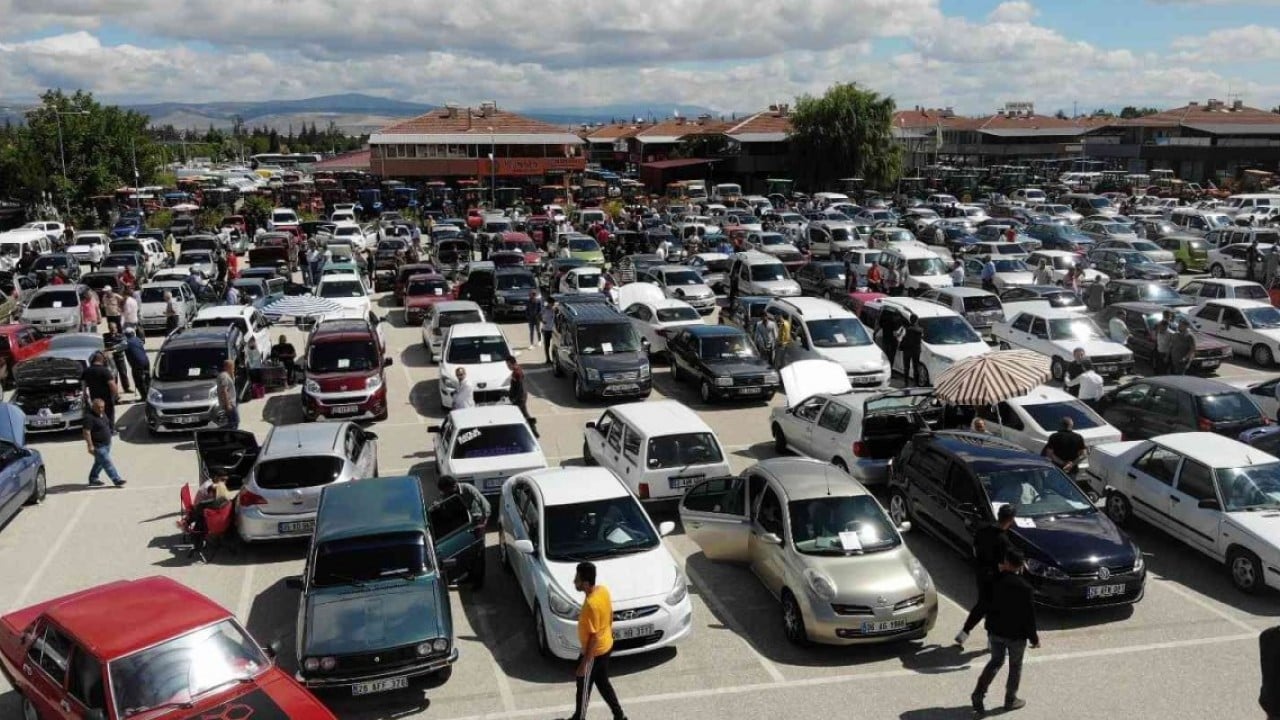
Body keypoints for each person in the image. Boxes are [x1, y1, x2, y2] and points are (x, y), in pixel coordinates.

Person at [970, 549, 1039, 717]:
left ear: (1006, 562)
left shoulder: (993, 581)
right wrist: (1034, 638)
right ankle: (1010, 699)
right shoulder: (1025, 588)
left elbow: (984, 604)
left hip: (995, 631)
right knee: (1015, 667)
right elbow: (1029, 617)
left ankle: (978, 693)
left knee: (995, 661)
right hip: (1016, 635)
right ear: (1021, 565)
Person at [560, 561, 626, 720]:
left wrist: (584, 664)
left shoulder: (591, 604)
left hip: (595, 653)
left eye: (577, 579)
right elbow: (610, 615)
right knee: (602, 683)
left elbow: (594, 637)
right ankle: (619, 716)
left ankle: (579, 717)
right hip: (606, 646)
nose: (574, 581)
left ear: (586, 583)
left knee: (583, 686)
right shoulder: (602, 591)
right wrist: (607, 634)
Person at [956, 503, 1016, 647]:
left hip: (981, 573)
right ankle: (991, 640)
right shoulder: (1004, 541)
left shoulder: (983, 530)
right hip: (995, 577)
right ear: (1010, 520)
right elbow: (1006, 562)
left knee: (983, 604)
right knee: (994, 608)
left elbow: (975, 549)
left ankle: (965, 632)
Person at [83, 398, 125, 488]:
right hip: (98, 445)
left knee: (99, 462)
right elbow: (86, 432)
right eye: (98, 407)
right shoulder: (89, 417)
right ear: (93, 407)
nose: (101, 409)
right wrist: (90, 446)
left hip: (107, 443)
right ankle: (116, 479)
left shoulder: (102, 414)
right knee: (107, 462)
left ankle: (93, 478)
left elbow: (107, 424)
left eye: (102, 407)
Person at [82, 351, 119, 424]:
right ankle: (110, 430)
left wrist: (84, 394)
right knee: (109, 415)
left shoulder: (86, 371)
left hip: (95, 399)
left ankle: (101, 429)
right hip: (106, 399)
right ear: (101, 359)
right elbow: (112, 385)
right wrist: (115, 396)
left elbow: (83, 384)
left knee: (98, 415)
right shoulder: (105, 371)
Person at [506, 357, 538, 437]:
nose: (508, 367)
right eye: (507, 365)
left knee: (519, 415)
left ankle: (531, 429)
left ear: (513, 363)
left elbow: (520, 388)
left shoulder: (517, 373)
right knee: (524, 414)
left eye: (509, 365)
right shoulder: (516, 370)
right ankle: (533, 430)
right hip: (520, 398)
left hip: (519, 398)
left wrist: (515, 399)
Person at [122, 328, 150, 399]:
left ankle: (144, 397)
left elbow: (116, 348)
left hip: (137, 364)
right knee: (147, 378)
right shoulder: (138, 339)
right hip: (146, 361)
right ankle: (150, 394)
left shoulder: (126, 343)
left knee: (138, 380)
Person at [900, 316, 924, 386]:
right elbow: (922, 334)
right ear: (916, 321)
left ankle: (906, 383)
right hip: (916, 351)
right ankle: (916, 384)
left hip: (907, 350)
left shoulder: (907, 329)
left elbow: (902, 337)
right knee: (915, 367)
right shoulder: (919, 330)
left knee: (906, 367)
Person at [216, 359, 239, 429]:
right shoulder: (224, 376)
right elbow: (224, 390)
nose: (233, 368)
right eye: (232, 366)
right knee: (235, 421)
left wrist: (232, 373)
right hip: (229, 403)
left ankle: (228, 433)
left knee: (232, 421)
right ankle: (221, 431)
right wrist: (228, 404)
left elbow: (232, 382)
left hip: (231, 403)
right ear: (226, 367)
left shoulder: (227, 375)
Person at [880, 309, 902, 377]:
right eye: (898, 317)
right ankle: (889, 373)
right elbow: (896, 334)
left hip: (885, 341)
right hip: (892, 343)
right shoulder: (894, 324)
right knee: (890, 358)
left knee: (885, 358)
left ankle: (884, 371)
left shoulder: (884, 322)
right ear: (895, 316)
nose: (898, 319)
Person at [1153, 310, 1173, 374]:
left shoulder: (1170, 328)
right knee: (1159, 365)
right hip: (1160, 347)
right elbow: (1156, 334)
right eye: (1169, 316)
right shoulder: (1160, 324)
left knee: (1163, 367)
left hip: (1164, 349)